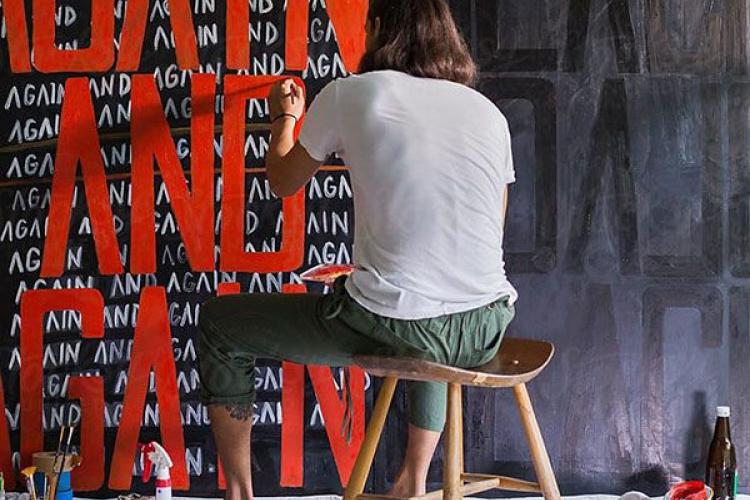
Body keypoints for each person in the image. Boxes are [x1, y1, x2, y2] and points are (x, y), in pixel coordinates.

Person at [197, 0, 518, 498]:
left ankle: (239, 493)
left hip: (400, 325)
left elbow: (282, 180)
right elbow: (490, 229)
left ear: (376, 29)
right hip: (486, 326)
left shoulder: (351, 93)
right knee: (426, 304)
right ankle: (413, 478)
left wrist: (285, 117)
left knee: (220, 324)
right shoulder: (487, 112)